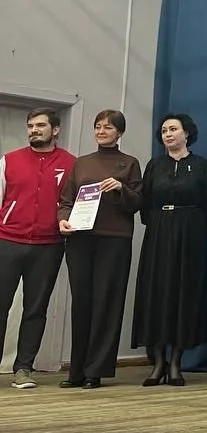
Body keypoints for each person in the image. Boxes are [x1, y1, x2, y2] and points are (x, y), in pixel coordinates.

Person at [132, 113, 207, 387]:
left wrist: (194, 227)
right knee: (156, 292)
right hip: (159, 233)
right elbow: (145, 204)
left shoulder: (202, 165)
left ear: (186, 133)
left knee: (184, 292)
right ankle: (158, 362)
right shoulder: (155, 165)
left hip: (190, 236)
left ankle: (176, 363)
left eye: (173, 129)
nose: (168, 134)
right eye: (164, 131)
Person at [58, 110, 143, 390]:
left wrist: (120, 188)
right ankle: (77, 371)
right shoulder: (81, 163)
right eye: (97, 126)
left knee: (106, 303)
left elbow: (138, 202)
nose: (101, 131)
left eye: (108, 127)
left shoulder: (129, 163)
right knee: (82, 302)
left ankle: (95, 371)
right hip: (80, 239)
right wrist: (63, 219)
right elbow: (66, 200)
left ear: (119, 132)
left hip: (114, 239)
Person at [0, 109, 76, 389]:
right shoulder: (9, 161)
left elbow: (73, 204)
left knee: (36, 309)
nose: (34, 130)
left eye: (40, 125)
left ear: (55, 130)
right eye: (30, 125)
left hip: (48, 246)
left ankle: (23, 369)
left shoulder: (71, 164)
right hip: (7, 242)